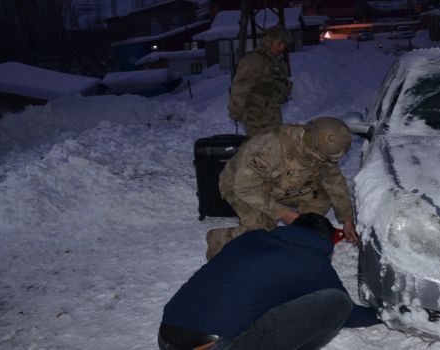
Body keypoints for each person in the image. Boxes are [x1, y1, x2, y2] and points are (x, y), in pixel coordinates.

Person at [159, 213, 381, 350]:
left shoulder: (251, 238)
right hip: (216, 345)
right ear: (323, 240)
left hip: (167, 337)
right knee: (337, 302)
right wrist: (384, 314)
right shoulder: (311, 259)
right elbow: (347, 313)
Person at [206, 117, 357, 260]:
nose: (329, 162)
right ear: (313, 149)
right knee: (261, 230)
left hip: (281, 186)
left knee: (320, 200)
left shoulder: (321, 149)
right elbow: (245, 187)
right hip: (242, 186)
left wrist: (347, 218)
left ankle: (301, 238)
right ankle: (219, 238)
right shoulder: (270, 146)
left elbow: (334, 180)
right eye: (325, 159)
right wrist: (283, 213)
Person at [228, 25, 293, 137]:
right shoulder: (254, 59)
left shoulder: (273, 61)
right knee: (260, 148)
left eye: (284, 45)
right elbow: (240, 88)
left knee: (271, 146)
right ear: (268, 42)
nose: (282, 47)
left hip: (270, 113)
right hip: (257, 116)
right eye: (279, 43)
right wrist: (236, 111)